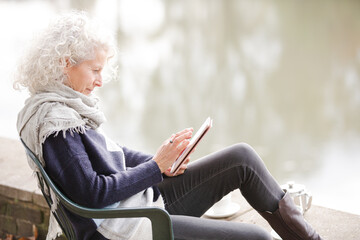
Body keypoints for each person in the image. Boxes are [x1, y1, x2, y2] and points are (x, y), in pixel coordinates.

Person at [15, 11, 322, 240]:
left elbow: (109, 155)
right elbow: (92, 194)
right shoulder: (57, 125)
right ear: (65, 62)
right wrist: (154, 168)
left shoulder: (63, 106)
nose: (99, 81)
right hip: (131, 226)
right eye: (95, 70)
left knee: (242, 159)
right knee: (260, 239)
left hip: (138, 205)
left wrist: (160, 162)